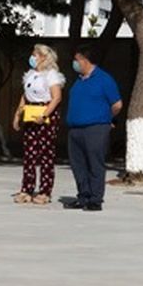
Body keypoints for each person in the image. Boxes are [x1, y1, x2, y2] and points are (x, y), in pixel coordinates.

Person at [63, 45, 123, 212]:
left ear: (85, 60)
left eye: (77, 60)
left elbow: (117, 104)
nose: (74, 63)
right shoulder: (79, 80)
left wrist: (107, 118)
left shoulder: (104, 79)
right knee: (78, 165)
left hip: (96, 128)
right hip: (76, 129)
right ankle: (83, 196)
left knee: (94, 164)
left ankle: (95, 199)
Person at [12, 43, 64, 205]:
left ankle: (45, 190)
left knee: (46, 153)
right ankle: (26, 189)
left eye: (35, 55)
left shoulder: (51, 75)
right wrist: (18, 114)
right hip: (30, 112)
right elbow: (25, 95)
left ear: (43, 57)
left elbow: (56, 97)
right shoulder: (31, 74)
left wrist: (45, 114)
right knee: (30, 153)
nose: (33, 57)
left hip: (45, 112)